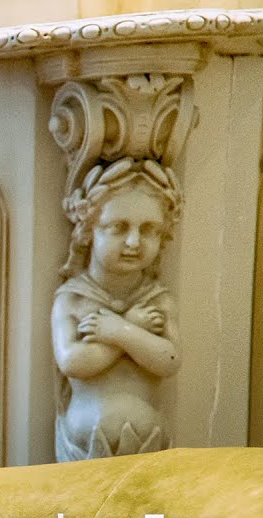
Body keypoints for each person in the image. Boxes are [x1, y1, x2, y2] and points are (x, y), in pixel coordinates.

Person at [52, 157, 182, 461]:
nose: (134, 242)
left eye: (149, 229)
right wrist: (128, 329)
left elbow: (169, 360)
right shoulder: (72, 299)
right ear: (88, 231)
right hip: (82, 449)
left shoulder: (157, 299)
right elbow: (72, 361)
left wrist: (118, 331)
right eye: (118, 227)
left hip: (149, 446)